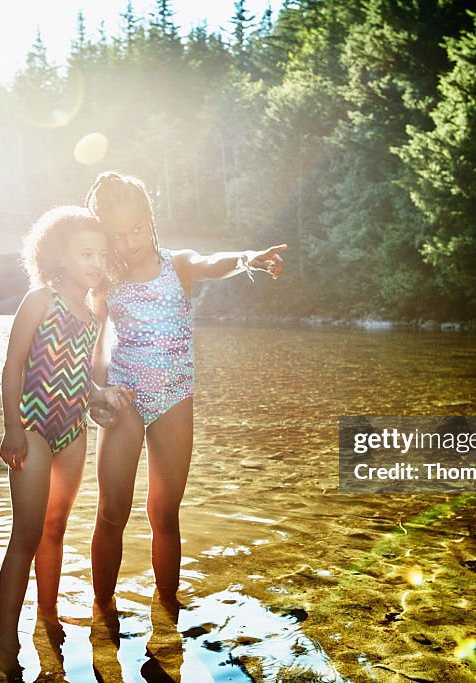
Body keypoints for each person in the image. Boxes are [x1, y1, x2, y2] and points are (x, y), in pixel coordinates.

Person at [84, 171, 286, 611]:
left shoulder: (177, 265)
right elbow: (96, 343)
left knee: (164, 512)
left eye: (137, 228)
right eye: (118, 235)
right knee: (112, 510)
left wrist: (251, 257)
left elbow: (214, 262)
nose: (131, 241)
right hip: (125, 397)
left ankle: (168, 609)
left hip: (175, 398)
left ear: (150, 220)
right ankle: (104, 610)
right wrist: (96, 393)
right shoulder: (106, 282)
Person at [0, 205, 133, 678]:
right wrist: (12, 427)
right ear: (60, 256)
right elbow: (13, 366)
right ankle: (7, 645)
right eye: (85, 253)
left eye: (101, 254)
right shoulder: (41, 299)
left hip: (73, 430)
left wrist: (102, 396)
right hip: (31, 428)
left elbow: (77, 374)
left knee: (55, 529)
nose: (96, 263)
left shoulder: (94, 310)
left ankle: (47, 615)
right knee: (26, 537)